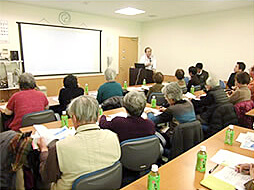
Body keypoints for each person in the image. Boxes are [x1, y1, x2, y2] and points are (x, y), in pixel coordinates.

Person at [38, 95, 121, 190]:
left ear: (74, 118)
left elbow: (47, 176)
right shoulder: (113, 136)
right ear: (98, 116)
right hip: (107, 185)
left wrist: (44, 151)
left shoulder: (60, 146)